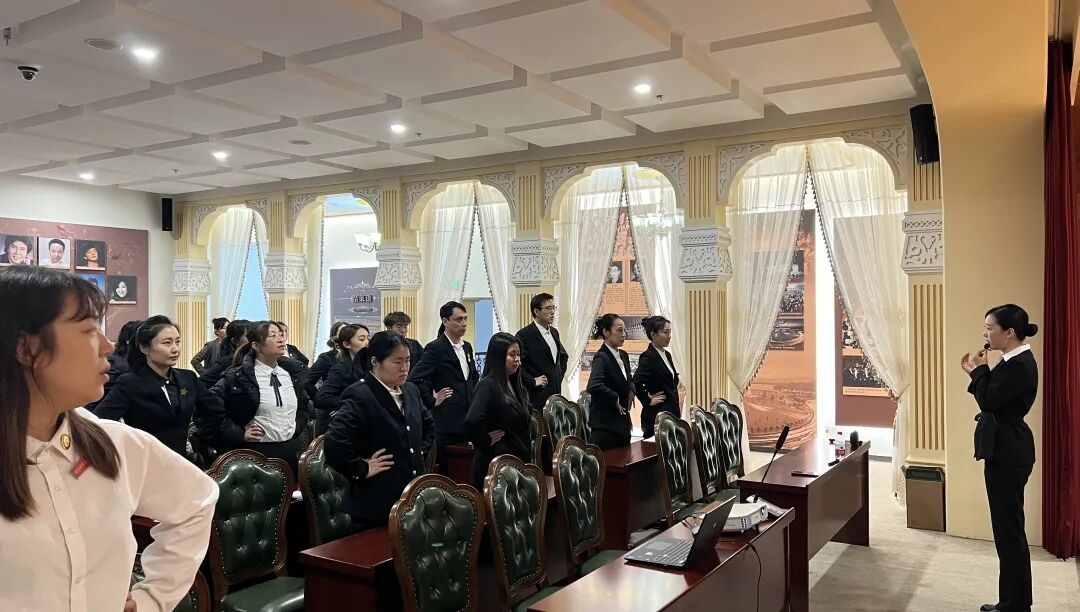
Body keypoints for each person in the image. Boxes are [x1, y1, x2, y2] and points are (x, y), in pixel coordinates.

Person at [0, 266, 217, 612]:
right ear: (28, 347)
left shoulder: (114, 444)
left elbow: (198, 500)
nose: (108, 345)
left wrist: (153, 598)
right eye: (89, 330)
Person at [962, 304, 1039, 612]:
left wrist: (978, 371)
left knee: (1009, 533)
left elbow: (989, 400)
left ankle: (1014, 605)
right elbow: (992, 397)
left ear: (1009, 332)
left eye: (989, 328)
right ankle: (1012, 602)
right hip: (1006, 449)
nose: (985, 334)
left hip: (1009, 453)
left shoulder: (1020, 364)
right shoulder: (1011, 360)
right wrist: (979, 372)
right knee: (1007, 531)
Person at [324, 331, 434, 530]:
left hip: (411, 498)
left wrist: (417, 453)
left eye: (408, 360)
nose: (404, 367)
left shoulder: (410, 390)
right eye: (397, 361)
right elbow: (334, 442)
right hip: (375, 504)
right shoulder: (360, 394)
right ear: (375, 362)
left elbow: (428, 427)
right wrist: (362, 468)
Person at [93, 316, 221, 460]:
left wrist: (197, 439)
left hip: (182, 461)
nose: (175, 349)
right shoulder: (130, 383)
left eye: (177, 342)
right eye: (167, 343)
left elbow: (215, 411)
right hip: (147, 462)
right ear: (145, 348)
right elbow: (99, 422)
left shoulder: (188, 378)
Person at [197, 321, 311, 473]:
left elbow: (303, 405)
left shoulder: (290, 374)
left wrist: (295, 426)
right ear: (256, 345)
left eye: (281, 335)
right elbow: (206, 409)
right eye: (272, 336)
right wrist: (238, 433)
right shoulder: (238, 377)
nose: (280, 339)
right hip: (254, 455)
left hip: (290, 450)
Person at [407, 301, 478, 472]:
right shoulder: (436, 348)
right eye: (458, 319)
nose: (463, 323)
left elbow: (472, 377)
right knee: (448, 471)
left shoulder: (467, 347)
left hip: (468, 417)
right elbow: (414, 378)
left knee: (467, 468)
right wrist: (432, 399)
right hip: (447, 421)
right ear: (445, 321)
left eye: (465, 319)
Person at [464, 333, 532, 491]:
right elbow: (472, 420)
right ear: (499, 357)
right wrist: (485, 439)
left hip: (518, 463)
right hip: (496, 467)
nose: (517, 360)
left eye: (518, 355)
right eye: (512, 355)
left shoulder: (515, 384)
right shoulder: (487, 386)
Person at [586, 313, 634, 450]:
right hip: (605, 427)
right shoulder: (602, 357)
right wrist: (615, 397)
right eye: (619, 330)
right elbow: (594, 385)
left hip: (622, 424)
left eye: (624, 330)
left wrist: (632, 389)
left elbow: (628, 379)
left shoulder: (623, 355)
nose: (623, 334)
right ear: (606, 332)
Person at [633, 315, 684, 440]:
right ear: (653, 335)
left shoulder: (667, 354)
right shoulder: (648, 356)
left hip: (671, 415)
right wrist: (647, 400)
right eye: (665, 332)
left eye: (670, 332)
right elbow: (636, 381)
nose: (669, 336)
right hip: (656, 417)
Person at [313, 323, 371, 434]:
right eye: (361, 339)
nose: (367, 342)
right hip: (344, 427)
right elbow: (321, 399)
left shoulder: (372, 367)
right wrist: (351, 403)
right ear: (347, 344)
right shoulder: (340, 369)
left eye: (368, 338)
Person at [515, 293, 568, 409]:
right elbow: (517, 365)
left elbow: (563, 357)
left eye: (553, 308)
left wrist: (558, 376)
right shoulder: (524, 335)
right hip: (536, 397)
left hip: (555, 395)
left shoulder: (554, 332)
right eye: (548, 308)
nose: (552, 312)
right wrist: (532, 381)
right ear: (536, 311)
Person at [197, 319, 252, 388]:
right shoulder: (225, 360)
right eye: (247, 336)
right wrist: (203, 372)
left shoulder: (250, 358)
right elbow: (195, 361)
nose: (252, 339)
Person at [305, 321, 348, 405]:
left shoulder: (355, 357)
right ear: (334, 338)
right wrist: (321, 399)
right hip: (334, 407)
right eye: (342, 332)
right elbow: (308, 382)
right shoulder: (326, 357)